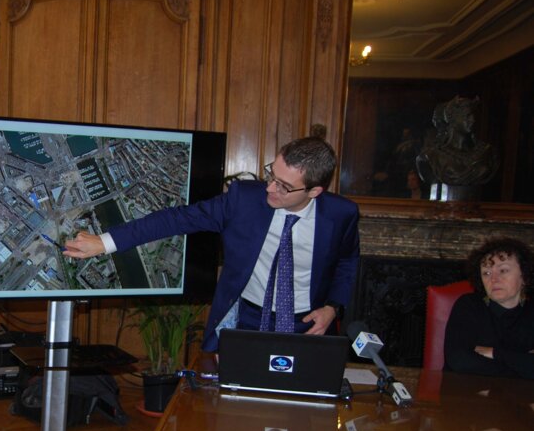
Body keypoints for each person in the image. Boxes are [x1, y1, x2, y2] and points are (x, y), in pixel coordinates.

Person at [63, 136, 360, 351]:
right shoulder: (243, 199)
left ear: (314, 191)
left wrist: (333, 306)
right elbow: (177, 219)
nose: (270, 187)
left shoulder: (341, 215)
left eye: (284, 186)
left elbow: (347, 261)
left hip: (306, 324)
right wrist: (105, 242)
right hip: (246, 318)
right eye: (272, 173)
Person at [444, 237, 534, 379]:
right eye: (486, 273)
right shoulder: (469, 305)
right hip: (466, 390)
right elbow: (459, 360)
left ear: (525, 276)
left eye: (503, 270)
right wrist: (521, 364)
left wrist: (493, 353)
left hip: (520, 393)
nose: (493, 279)